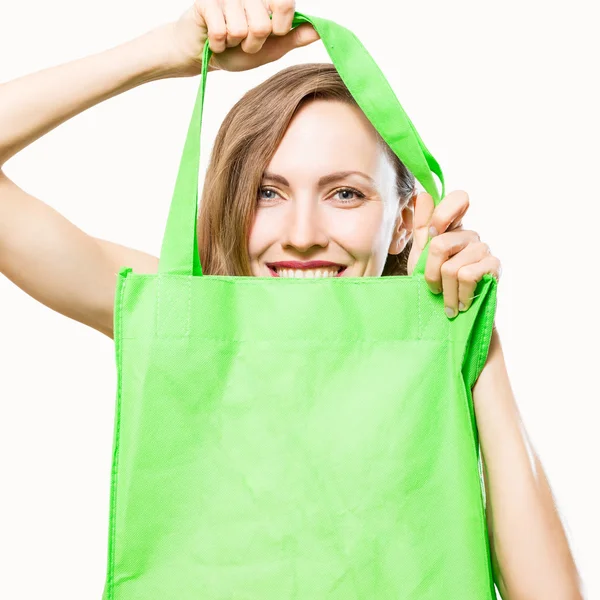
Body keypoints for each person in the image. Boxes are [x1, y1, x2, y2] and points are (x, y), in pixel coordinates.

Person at [0, 1, 583, 598]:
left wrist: (473, 332)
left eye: (346, 194)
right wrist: (163, 54)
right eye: (268, 192)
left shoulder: (434, 338)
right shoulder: (177, 316)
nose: (302, 233)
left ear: (407, 219)